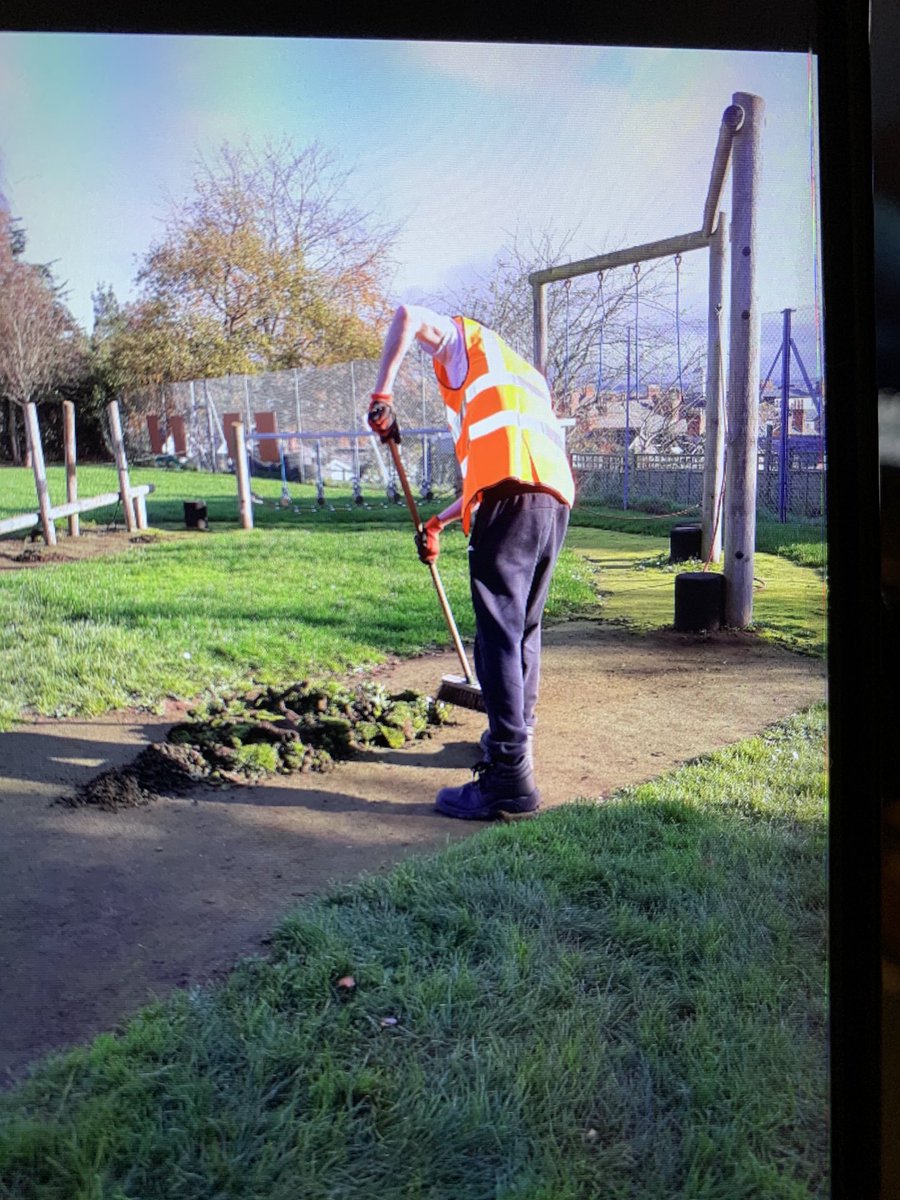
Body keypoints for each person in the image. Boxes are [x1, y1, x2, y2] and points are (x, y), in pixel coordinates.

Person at [367, 304, 575, 820]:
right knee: (523, 631)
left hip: (511, 502)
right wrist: (438, 522)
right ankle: (512, 746)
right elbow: (498, 466)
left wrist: (381, 396)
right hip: (551, 502)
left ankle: (508, 778)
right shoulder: (523, 378)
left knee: (498, 637)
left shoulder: (469, 344)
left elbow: (407, 315)